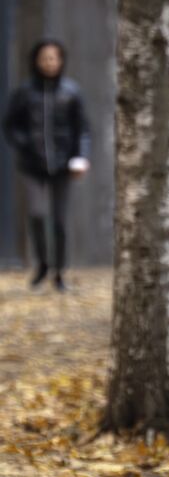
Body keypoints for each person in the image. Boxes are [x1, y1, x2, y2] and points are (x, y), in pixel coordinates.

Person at [2, 39, 91, 290]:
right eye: (44, 58)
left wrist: (81, 157)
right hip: (32, 166)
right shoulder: (24, 92)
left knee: (60, 220)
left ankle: (59, 272)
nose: (49, 63)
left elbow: (83, 129)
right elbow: (10, 125)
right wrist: (26, 144)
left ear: (61, 60)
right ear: (36, 61)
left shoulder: (71, 92)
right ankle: (42, 265)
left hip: (63, 166)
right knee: (38, 214)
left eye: (54, 58)